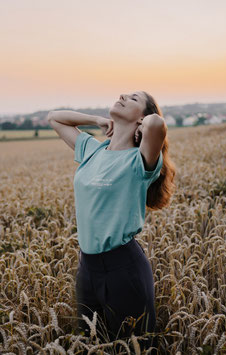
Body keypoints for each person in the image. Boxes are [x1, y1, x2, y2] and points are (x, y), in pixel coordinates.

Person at [47, 91, 176, 352]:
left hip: (123, 269)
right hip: (87, 268)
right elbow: (55, 118)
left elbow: (156, 125)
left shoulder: (141, 160)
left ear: (142, 118)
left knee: (134, 347)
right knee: (91, 344)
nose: (123, 95)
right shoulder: (91, 150)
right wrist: (98, 119)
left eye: (134, 98)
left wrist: (143, 122)